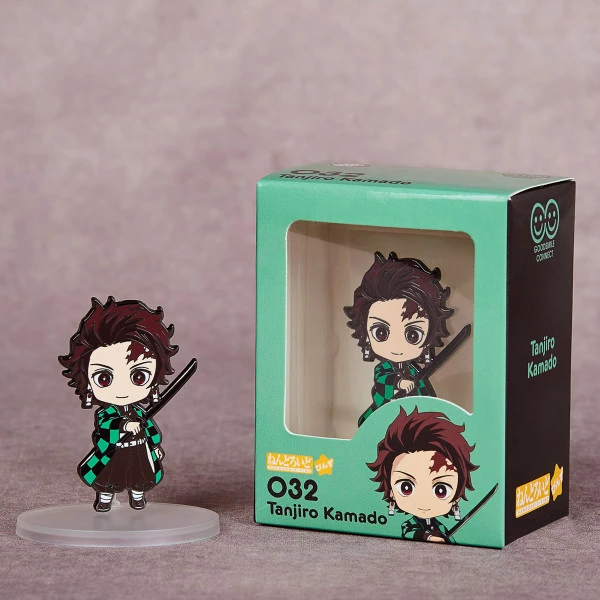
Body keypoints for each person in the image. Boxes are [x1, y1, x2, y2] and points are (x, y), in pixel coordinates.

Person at [59, 297, 178, 512]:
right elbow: (105, 428)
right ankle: (105, 498)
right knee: (108, 477)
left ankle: (138, 496)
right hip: (114, 453)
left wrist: (155, 446)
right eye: (104, 378)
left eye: (139, 376)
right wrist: (124, 426)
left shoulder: (139, 412)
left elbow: (151, 430)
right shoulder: (105, 414)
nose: (122, 389)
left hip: (139, 450)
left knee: (140, 476)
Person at [344, 251, 455, 426]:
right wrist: (399, 383)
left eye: (413, 335)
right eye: (381, 332)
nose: (396, 345)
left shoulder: (415, 372)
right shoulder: (383, 370)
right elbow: (383, 383)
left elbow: (426, 398)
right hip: (386, 420)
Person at [367, 407, 477, 543]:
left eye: (441, 490)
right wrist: (429, 538)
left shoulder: (440, 527)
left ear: (457, 497)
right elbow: (409, 533)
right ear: (391, 491)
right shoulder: (410, 525)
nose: (424, 501)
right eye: (406, 487)